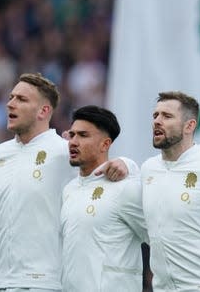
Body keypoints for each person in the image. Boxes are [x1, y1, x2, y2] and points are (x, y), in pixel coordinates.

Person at [0, 73, 133, 291]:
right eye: (11, 97)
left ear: (44, 111)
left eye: (21, 100)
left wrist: (127, 164)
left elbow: (107, 170)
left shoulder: (64, 151)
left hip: (43, 282)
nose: (10, 104)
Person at [141, 91, 200, 291]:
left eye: (167, 116)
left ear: (189, 125)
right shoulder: (148, 169)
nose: (157, 121)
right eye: (155, 116)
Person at [60, 105, 147, 292]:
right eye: (72, 135)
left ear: (105, 144)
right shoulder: (69, 190)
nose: (73, 142)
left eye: (83, 135)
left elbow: (159, 237)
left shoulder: (125, 188)